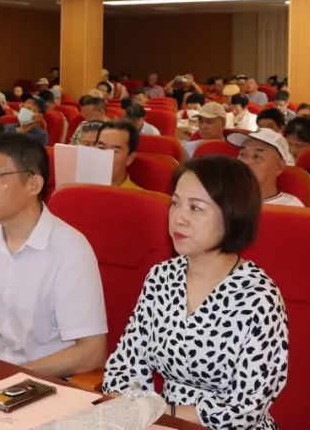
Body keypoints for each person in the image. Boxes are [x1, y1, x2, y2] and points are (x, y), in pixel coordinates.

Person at [103, 155, 288, 429]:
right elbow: (124, 366)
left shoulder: (259, 297)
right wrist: (134, 408)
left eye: (196, 208)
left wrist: (160, 412)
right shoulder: (162, 277)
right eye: (175, 203)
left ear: (232, 215)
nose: (179, 218)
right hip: (158, 421)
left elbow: (245, 409)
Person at [0, 134, 107, 376]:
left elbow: (92, 352)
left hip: (43, 380)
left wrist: (12, 375)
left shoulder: (70, 250)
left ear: (33, 184)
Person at [229, 128, 303, 207]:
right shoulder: (225, 198)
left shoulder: (291, 208)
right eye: (242, 154)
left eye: (257, 156)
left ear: (279, 167)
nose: (245, 162)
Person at [96, 120, 143, 190]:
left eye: (115, 151)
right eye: (101, 148)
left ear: (130, 158)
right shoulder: (80, 185)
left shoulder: (138, 195)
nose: (105, 156)